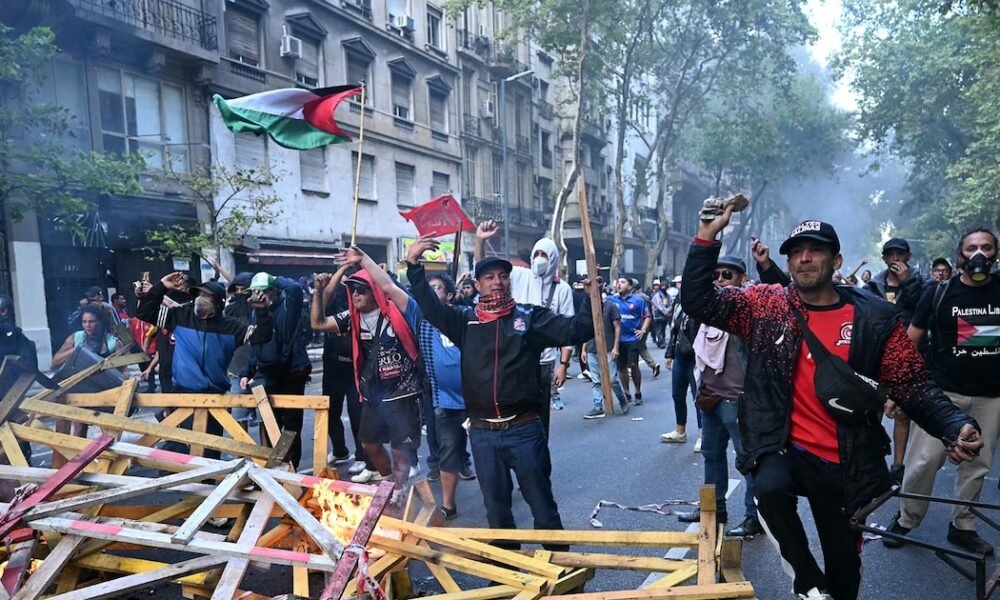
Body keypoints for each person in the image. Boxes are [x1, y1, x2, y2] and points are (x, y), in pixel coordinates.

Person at [684, 210, 983, 600]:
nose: (805, 258)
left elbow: (913, 383)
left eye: (816, 250)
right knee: (768, 489)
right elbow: (699, 300)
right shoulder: (765, 305)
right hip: (782, 448)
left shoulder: (873, 318)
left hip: (847, 464)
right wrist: (707, 234)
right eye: (796, 252)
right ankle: (807, 581)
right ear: (788, 262)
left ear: (836, 261)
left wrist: (951, 425)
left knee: (844, 569)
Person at [407, 235, 595, 549]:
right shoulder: (464, 320)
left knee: (542, 505)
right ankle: (509, 570)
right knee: (496, 511)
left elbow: (577, 329)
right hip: (482, 434)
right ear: (478, 285)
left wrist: (591, 298)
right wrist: (413, 265)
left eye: (503, 276)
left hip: (524, 430)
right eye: (490, 277)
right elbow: (429, 306)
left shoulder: (529, 317)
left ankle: (563, 572)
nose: (498, 282)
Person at [883, 228, 1000, 556]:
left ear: (995, 253)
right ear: (960, 254)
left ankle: (963, 525)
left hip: (992, 397)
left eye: (986, 248)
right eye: (972, 247)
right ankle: (907, 518)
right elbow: (910, 340)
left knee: (977, 464)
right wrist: (897, 387)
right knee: (924, 461)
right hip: (942, 396)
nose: (979, 254)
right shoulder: (939, 292)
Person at [311, 254, 422, 489]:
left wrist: (362, 259)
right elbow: (318, 323)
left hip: (403, 394)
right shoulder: (352, 318)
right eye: (353, 291)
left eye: (362, 290)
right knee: (368, 443)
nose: (356, 295)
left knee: (400, 450)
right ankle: (391, 483)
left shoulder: (396, 312)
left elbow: (390, 287)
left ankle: (397, 493)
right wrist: (318, 292)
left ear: (375, 291)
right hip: (374, 394)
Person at [136, 273, 272, 459]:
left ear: (218, 302)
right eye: (199, 295)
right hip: (183, 396)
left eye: (207, 296)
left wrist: (263, 311)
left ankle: (207, 486)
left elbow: (263, 336)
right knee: (186, 452)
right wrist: (162, 285)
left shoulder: (231, 327)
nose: (201, 299)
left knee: (209, 454)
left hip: (214, 400)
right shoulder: (180, 317)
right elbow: (145, 312)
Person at [674, 256, 762, 537]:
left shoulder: (747, 311)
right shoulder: (706, 313)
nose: (720, 280)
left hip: (738, 400)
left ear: (742, 279)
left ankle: (755, 517)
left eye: (727, 275)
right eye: (715, 276)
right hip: (709, 396)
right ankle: (713, 510)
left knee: (748, 462)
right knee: (712, 456)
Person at [474, 220, 575, 422]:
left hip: (544, 362)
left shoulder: (562, 289)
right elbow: (483, 268)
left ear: (553, 259)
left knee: (540, 415)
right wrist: (480, 241)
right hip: (515, 356)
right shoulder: (519, 275)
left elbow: (567, 330)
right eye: (536, 254)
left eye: (544, 255)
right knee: (515, 414)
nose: (539, 259)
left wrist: (563, 364)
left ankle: (538, 451)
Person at [239, 272, 312, 470]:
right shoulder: (257, 311)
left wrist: (273, 278)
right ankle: (272, 468)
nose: (258, 295)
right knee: (270, 422)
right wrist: (247, 371)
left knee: (291, 425)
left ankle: (291, 469)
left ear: (272, 291)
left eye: (262, 291)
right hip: (269, 373)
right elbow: (256, 345)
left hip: (292, 374)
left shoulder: (288, 306)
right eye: (254, 292)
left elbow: (295, 289)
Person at [312, 268, 371, 475]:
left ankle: (362, 456)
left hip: (355, 368)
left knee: (357, 415)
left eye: (354, 286)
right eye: (346, 285)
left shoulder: (362, 306)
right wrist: (342, 269)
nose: (351, 291)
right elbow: (325, 294)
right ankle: (340, 450)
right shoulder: (335, 302)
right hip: (333, 367)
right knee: (330, 412)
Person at [582, 281, 631, 419]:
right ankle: (597, 406)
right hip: (592, 348)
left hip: (608, 348)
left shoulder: (610, 306)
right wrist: (584, 349)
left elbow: (617, 327)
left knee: (612, 379)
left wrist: (616, 347)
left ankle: (622, 400)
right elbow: (584, 329)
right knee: (596, 380)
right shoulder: (588, 308)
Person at [662, 299, 702, 451]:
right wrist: (669, 353)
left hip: (697, 356)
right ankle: (680, 430)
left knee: (698, 396)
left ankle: (702, 434)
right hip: (680, 354)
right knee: (677, 394)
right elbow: (674, 330)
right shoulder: (679, 305)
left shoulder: (703, 302)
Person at [609, 277, 652, 405]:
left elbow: (647, 316)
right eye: (618, 282)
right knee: (621, 368)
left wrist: (643, 330)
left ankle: (638, 391)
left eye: (623, 282)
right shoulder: (612, 300)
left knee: (633, 365)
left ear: (630, 286)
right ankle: (627, 392)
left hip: (633, 338)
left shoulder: (638, 300)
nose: (619, 284)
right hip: (618, 339)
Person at [52, 304, 118, 368]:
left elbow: (124, 370)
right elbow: (55, 361)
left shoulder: (113, 342)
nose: (87, 325)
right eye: (84, 322)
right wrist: (78, 349)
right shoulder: (75, 337)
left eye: (91, 321)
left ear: (100, 322)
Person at [650, 280, 671, 349]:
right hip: (658, 316)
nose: (663, 288)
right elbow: (659, 306)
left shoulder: (667, 295)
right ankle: (661, 342)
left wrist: (668, 310)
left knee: (663, 329)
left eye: (665, 286)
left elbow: (670, 303)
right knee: (658, 330)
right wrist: (666, 312)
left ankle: (662, 341)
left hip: (665, 316)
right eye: (662, 286)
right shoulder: (657, 295)